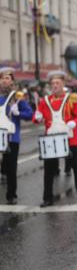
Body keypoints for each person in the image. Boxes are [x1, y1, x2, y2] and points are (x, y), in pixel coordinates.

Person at [33, 70, 77, 207]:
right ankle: (47, 198)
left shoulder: (72, 98)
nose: (54, 85)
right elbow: (37, 117)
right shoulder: (45, 101)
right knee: (49, 171)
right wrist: (37, 118)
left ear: (63, 84)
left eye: (57, 83)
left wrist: (75, 122)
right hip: (51, 140)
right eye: (52, 83)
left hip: (70, 139)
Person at [0, 67, 33, 204]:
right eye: (1, 78)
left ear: (12, 81)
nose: (3, 81)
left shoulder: (17, 97)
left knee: (11, 168)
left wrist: (19, 114)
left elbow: (29, 114)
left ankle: (11, 194)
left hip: (12, 137)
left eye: (7, 78)